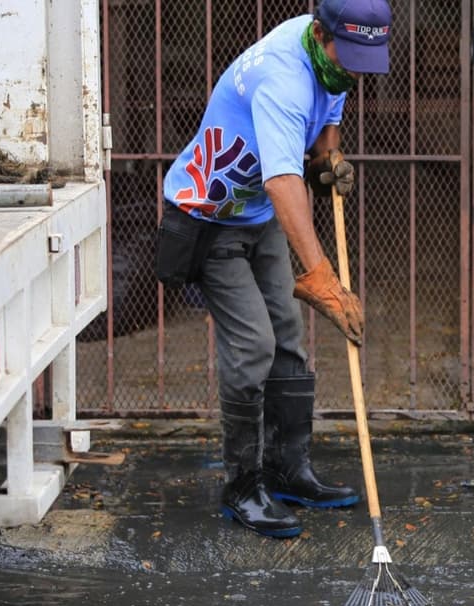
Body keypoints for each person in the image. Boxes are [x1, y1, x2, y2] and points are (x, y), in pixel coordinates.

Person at [158, 0, 392, 538]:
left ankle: (288, 471)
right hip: (209, 216)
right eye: (348, 57)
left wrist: (328, 159)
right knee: (254, 346)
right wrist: (321, 277)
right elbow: (283, 181)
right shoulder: (283, 78)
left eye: (363, 61)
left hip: (259, 215)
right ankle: (242, 487)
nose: (354, 71)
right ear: (320, 34)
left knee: (288, 333)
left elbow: (328, 113)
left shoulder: (333, 59)